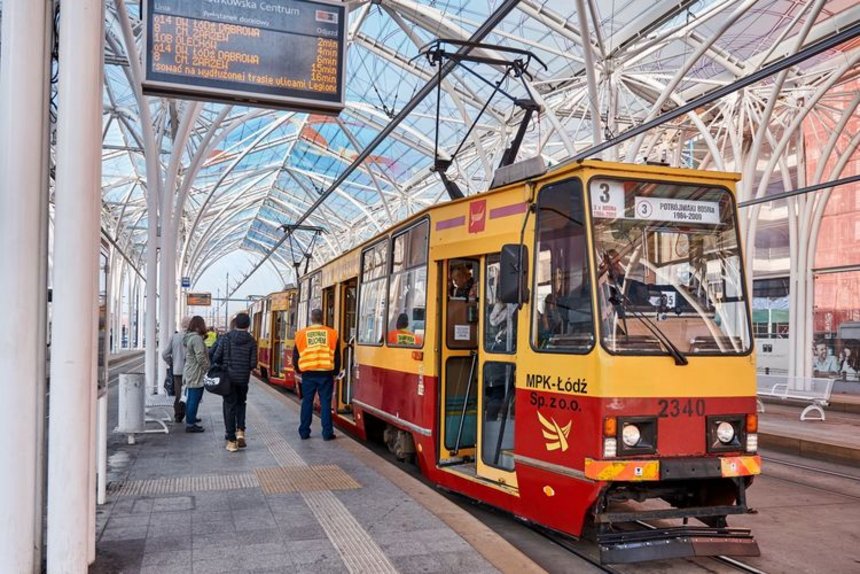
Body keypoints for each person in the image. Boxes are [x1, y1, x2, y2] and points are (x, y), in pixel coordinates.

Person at [293, 308, 341, 441]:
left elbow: (295, 356)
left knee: (307, 402)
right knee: (325, 403)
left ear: (311, 319)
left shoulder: (301, 334)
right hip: (325, 374)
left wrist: (299, 369)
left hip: (308, 374)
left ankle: (304, 432)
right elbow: (337, 356)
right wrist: (335, 372)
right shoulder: (332, 334)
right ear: (323, 318)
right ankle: (327, 433)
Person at [213, 312, 257, 452]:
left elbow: (216, 356)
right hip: (243, 378)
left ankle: (231, 441)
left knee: (229, 406)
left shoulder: (226, 338)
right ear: (248, 325)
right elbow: (253, 363)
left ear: (235, 324)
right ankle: (240, 432)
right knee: (241, 404)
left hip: (228, 379)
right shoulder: (251, 340)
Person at [183, 316, 210, 433]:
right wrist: (207, 367)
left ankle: (191, 418)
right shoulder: (197, 339)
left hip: (190, 370)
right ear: (199, 326)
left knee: (192, 398)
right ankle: (190, 424)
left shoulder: (189, 337)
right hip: (196, 371)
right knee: (194, 398)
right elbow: (200, 356)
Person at [162, 317, 190, 423]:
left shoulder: (174, 337)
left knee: (178, 393)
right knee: (189, 393)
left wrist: (171, 362)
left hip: (177, 369)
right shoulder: (193, 337)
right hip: (190, 370)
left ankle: (178, 415)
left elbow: (165, 354)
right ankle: (190, 414)